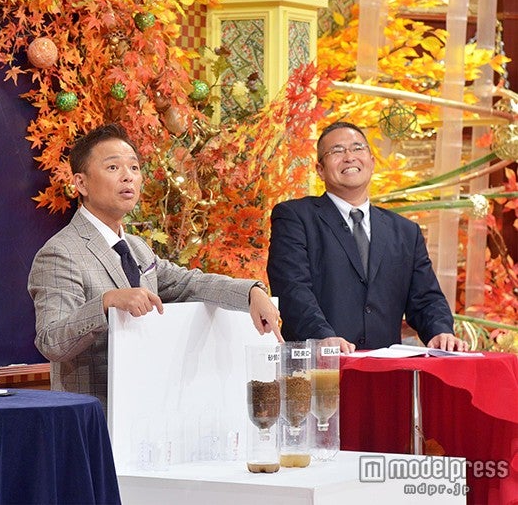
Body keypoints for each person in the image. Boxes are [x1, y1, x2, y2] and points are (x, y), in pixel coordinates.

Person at [28, 123, 281, 408]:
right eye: (113, 167)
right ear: (81, 183)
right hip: (95, 417)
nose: (128, 176)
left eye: (134, 168)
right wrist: (105, 303)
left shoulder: (137, 248)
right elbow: (51, 341)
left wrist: (251, 292)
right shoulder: (60, 252)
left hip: (149, 411)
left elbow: (189, 283)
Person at [266, 121, 468, 354]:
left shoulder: (405, 231)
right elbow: (292, 287)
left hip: (384, 369)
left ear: (372, 162)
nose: (349, 157)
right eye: (337, 151)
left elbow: (425, 299)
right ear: (320, 170)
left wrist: (440, 332)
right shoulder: (295, 217)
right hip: (317, 366)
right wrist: (322, 337)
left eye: (357, 148)